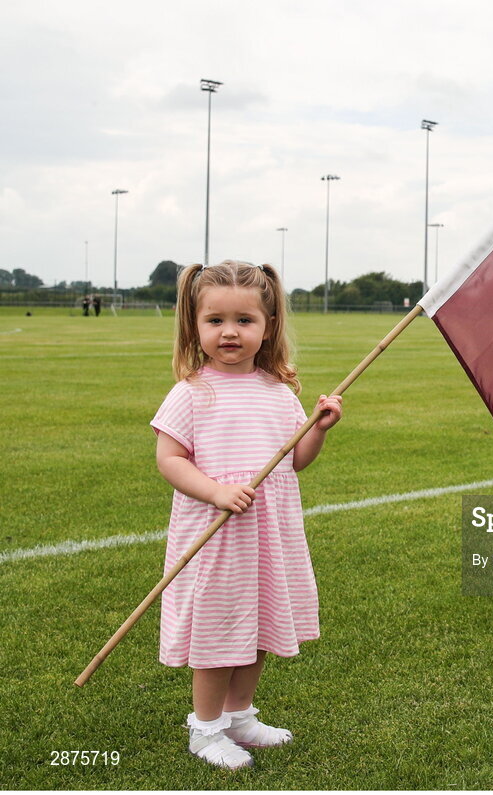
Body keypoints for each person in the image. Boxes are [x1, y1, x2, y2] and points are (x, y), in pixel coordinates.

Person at [151, 260, 342, 770]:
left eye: (244, 320)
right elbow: (169, 459)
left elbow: (296, 460)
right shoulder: (191, 392)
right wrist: (214, 491)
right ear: (194, 326)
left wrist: (318, 428)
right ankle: (205, 729)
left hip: (268, 535)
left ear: (268, 325)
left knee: (257, 628)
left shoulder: (279, 393)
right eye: (215, 320)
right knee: (219, 632)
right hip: (216, 539)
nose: (230, 332)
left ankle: (239, 716)